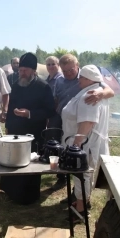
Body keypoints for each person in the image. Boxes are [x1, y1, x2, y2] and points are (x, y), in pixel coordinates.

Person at [49, 54, 114, 191]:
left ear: (77, 66)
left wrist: (100, 94)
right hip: (62, 118)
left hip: (79, 123)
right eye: (64, 71)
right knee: (61, 148)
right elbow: (56, 98)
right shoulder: (59, 80)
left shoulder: (87, 78)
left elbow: (110, 91)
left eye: (70, 70)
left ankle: (78, 192)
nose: (67, 73)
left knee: (78, 157)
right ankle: (62, 177)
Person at [0, 52, 55, 204]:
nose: (21, 73)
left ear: (33, 70)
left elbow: (50, 110)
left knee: (29, 163)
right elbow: (10, 106)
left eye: (25, 70)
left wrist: (30, 114)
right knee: (12, 159)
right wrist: (8, 123)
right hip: (15, 131)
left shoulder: (43, 87)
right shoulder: (16, 85)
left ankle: (27, 196)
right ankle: (10, 191)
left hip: (33, 131)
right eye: (20, 70)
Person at [61, 65, 110, 222]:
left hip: (85, 143)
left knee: (81, 175)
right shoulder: (97, 91)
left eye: (81, 77)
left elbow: (87, 122)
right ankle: (83, 202)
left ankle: (81, 210)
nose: (79, 80)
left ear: (89, 79)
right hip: (88, 142)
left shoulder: (90, 95)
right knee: (84, 174)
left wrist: (76, 145)